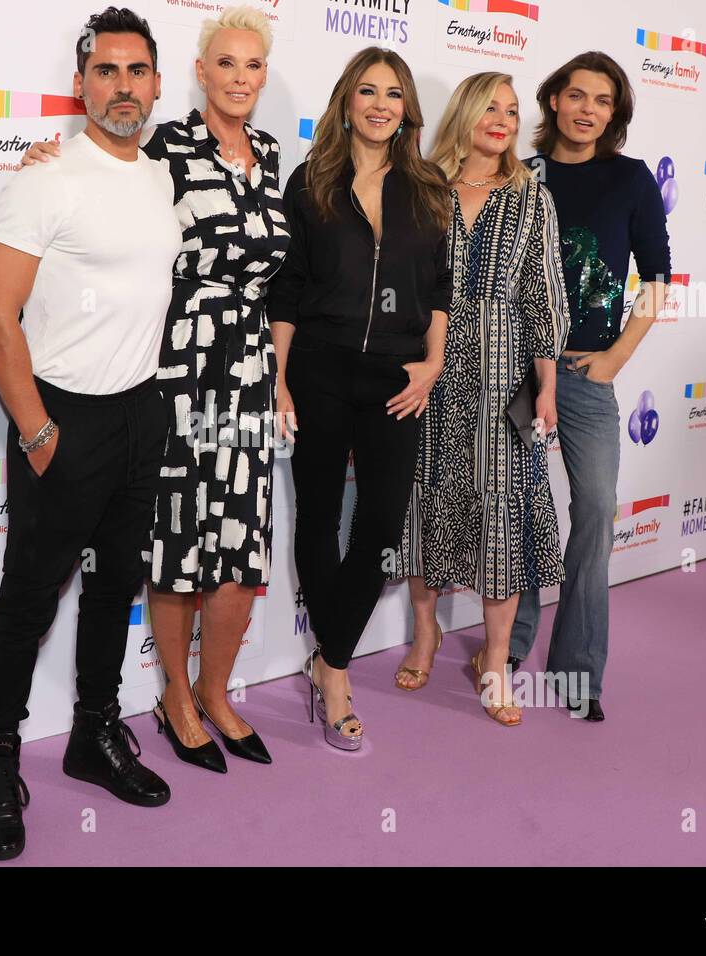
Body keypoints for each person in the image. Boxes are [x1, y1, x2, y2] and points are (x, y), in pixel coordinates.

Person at [20, 6, 288, 773]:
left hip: (247, 371)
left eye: (254, 65)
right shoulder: (166, 146)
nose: (241, 78)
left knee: (239, 541)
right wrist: (45, 157)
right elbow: (102, 176)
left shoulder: (271, 155)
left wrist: (280, 379)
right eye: (226, 64)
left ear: (264, 76)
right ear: (200, 75)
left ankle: (218, 691)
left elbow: (282, 283)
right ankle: (173, 695)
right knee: (179, 539)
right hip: (176, 367)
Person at [0, 6, 182, 861]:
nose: (122, 87)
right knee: (28, 598)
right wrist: (35, 430)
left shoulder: (158, 175)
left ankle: (94, 733)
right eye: (106, 72)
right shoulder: (44, 178)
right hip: (64, 417)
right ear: (81, 83)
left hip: (142, 409)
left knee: (113, 587)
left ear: (156, 84)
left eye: (136, 73)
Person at [267, 47, 451, 750]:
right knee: (316, 516)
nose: (380, 103)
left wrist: (432, 363)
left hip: (395, 379)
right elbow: (287, 288)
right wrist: (281, 376)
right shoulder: (311, 180)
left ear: (407, 110)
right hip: (316, 367)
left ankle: (326, 656)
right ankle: (337, 677)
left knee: (377, 527)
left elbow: (438, 287)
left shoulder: (426, 186)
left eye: (394, 93)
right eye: (368, 91)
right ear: (347, 102)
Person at [391, 72, 570, 726]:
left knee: (504, 511)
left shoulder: (532, 198)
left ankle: (494, 661)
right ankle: (425, 632)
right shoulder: (421, 187)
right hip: (427, 364)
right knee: (423, 492)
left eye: (512, 111)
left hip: (508, 371)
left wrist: (546, 387)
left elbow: (544, 297)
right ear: (464, 113)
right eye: (490, 107)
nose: (501, 119)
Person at [506, 52, 670, 722]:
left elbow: (657, 280)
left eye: (602, 101)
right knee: (514, 511)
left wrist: (615, 359)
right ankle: (507, 646)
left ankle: (577, 671)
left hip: (585, 373)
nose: (587, 110)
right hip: (513, 370)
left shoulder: (630, 180)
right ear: (553, 102)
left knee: (596, 511)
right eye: (576, 96)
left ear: (614, 113)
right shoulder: (522, 175)